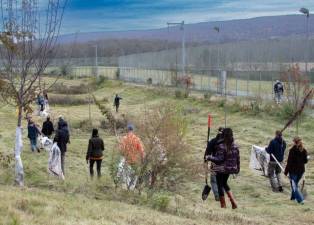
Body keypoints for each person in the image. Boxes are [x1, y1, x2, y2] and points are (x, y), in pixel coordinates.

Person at [206, 128, 240, 209]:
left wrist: (209, 157)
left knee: (220, 185)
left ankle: (223, 205)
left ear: (223, 135)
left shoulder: (221, 146)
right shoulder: (235, 146)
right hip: (230, 169)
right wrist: (238, 169)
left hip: (221, 169)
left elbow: (219, 159)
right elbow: (238, 158)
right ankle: (233, 202)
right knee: (224, 183)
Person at [284, 137, 308, 204]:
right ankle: (292, 198)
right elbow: (305, 161)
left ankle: (301, 200)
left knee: (294, 186)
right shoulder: (304, 150)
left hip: (293, 171)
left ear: (294, 142)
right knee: (295, 185)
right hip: (301, 171)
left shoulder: (292, 150)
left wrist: (286, 172)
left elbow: (289, 162)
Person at [204, 127, 224, 201]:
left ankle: (217, 195)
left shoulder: (213, 141)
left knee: (213, 181)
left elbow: (207, 153)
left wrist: (205, 161)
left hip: (215, 164)